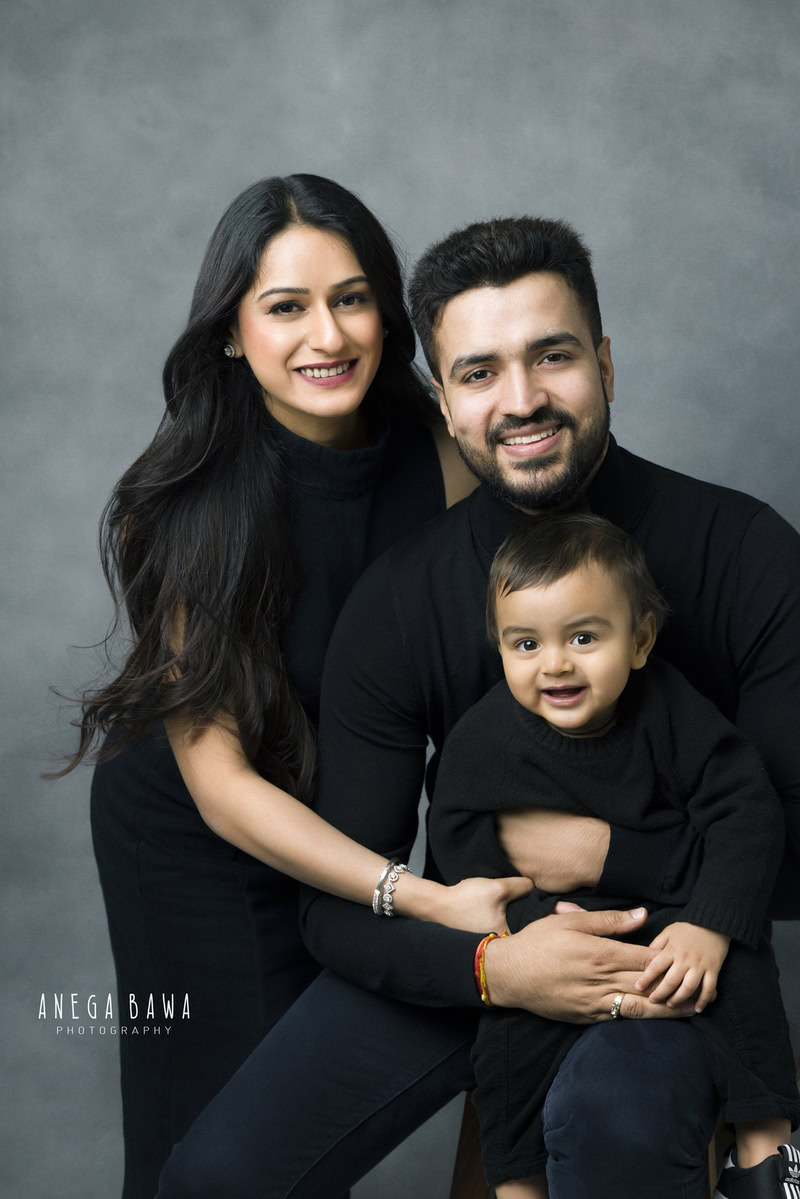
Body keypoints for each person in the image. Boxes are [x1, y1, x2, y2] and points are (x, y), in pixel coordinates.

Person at [156, 216, 800, 1199]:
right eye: (479, 371)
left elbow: (787, 842)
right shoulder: (402, 596)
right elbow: (338, 907)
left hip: (669, 946)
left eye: (552, 356)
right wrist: (497, 967)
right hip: (476, 944)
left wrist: (608, 860)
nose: (522, 400)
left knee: (612, 1120)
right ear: (446, 405)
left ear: (606, 363)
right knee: (217, 1176)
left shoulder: (744, 550)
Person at [66, 174, 529, 1199]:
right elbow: (219, 781)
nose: (328, 333)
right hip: (194, 842)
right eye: (285, 306)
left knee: (308, 1120)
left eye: (352, 297)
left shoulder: (436, 449)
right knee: (210, 1148)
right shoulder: (182, 503)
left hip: (345, 810)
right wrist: (405, 891)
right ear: (231, 332)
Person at [430, 513, 800, 1198]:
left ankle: (766, 1147)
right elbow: (458, 833)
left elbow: (747, 808)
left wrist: (709, 923)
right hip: (551, 930)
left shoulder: (668, 709)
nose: (556, 663)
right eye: (526, 643)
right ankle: (516, 1185)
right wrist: (529, 922)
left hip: (672, 911)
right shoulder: (482, 738)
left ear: (640, 640)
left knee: (742, 964)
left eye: (583, 636)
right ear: (500, 647)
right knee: (505, 1040)